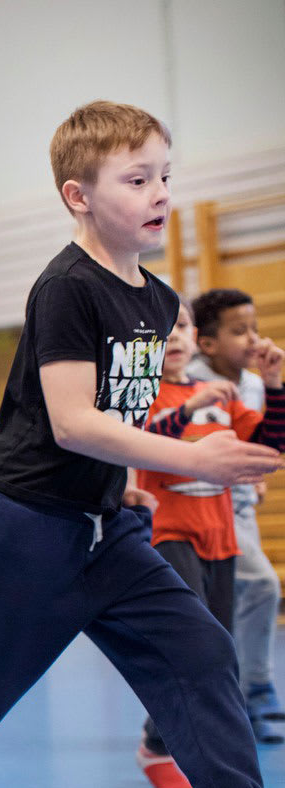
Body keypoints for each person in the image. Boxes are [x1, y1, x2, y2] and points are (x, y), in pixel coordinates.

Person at [0, 101, 281, 787]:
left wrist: (131, 474)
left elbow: (118, 416)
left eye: (164, 175)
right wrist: (196, 458)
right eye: (136, 180)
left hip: (109, 536)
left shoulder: (159, 303)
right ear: (79, 197)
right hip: (24, 534)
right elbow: (72, 421)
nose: (160, 192)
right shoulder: (67, 288)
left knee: (202, 655)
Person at [132, 300, 285, 785]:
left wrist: (276, 385)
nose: (173, 336)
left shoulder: (215, 393)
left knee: (216, 650)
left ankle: (160, 742)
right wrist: (187, 409)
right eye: (161, 330)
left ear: (196, 335)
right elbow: (142, 443)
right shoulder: (142, 395)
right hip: (169, 534)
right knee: (192, 648)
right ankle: (166, 750)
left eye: (180, 326)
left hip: (220, 538)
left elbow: (270, 444)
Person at [186, 287, 285, 743]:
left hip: (237, 510)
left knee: (246, 594)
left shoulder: (250, 382)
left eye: (254, 328)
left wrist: (274, 383)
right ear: (207, 343)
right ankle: (246, 692)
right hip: (198, 507)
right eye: (238, 330)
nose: (251, 338)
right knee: (250, 590)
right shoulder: (191, 380)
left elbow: (265, 442)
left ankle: (247, 694)